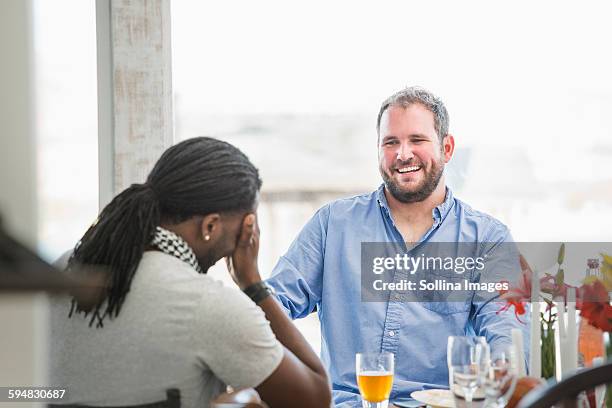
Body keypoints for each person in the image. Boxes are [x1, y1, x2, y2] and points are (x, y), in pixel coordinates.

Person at [264, 87, 529, 406]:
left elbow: (505, 330)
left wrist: (500, 374)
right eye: (391, 142)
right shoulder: (333, 224)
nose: (403, 154)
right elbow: (273, 305)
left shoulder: (487, 239)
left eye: (417, 140)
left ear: (447, 147)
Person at [49, 137, 332, 408]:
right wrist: (253, 284)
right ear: (210, 226)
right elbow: (316, 398)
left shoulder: (63, 270)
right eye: (247, 226)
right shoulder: (207, 304)